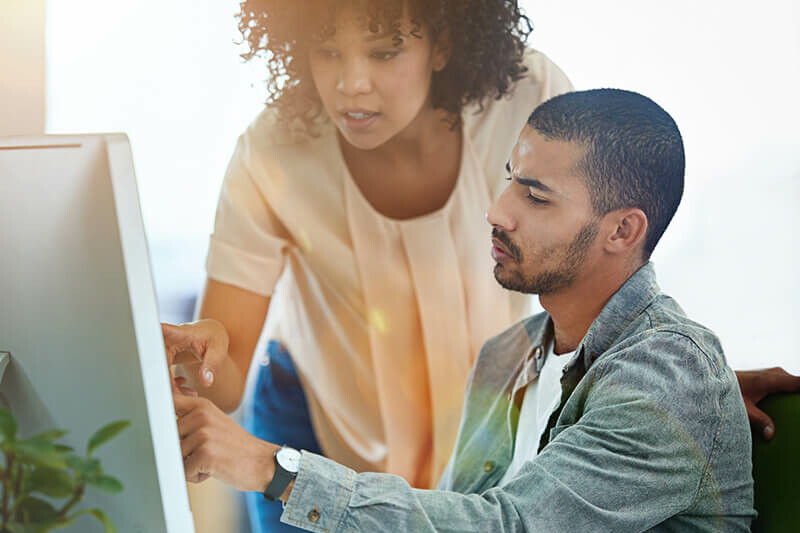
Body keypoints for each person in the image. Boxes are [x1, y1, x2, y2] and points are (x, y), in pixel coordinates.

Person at [161, 1, 800, 531]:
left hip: (471, 429)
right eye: (327, 50)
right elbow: (222, 372)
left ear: (443, 40)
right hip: (330, 413)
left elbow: (607, 226)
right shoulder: (511, 355)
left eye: (384, 50)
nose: (494, 211)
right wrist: (196, 366)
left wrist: (682, 384)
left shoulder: (527, 98)